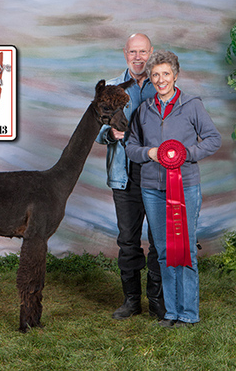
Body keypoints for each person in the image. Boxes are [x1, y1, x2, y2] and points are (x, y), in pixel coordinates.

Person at [126, 50, 221, 327]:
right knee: (164, 250)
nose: (160, 79)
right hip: (152, 188)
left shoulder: (192, 105)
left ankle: (188, 313)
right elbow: (131, 147)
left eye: (165, 74)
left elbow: (213, 139)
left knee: (186, 249)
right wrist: (150, 153)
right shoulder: (144, 109)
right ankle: (171, 312)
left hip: (186, 186)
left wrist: (184, 153)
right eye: (155, 75)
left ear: (176, 75)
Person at [96, 33, 165, 320]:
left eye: (143, 52)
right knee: (127, 240)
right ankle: (131, 300)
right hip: (124, 175)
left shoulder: (163, 84)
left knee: (159, 239)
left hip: (157, 175)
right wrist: (110, 133)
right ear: (125, 54)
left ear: (151, 53)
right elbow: (97, 130)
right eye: (133, 52)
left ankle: (158, 302)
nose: (138, 57)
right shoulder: (111, 88)